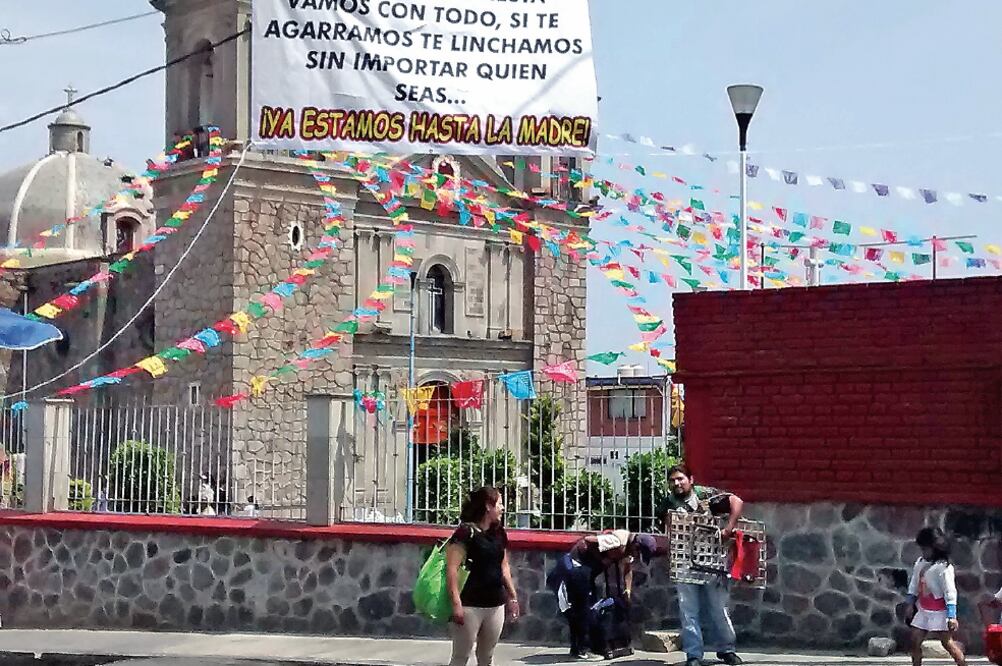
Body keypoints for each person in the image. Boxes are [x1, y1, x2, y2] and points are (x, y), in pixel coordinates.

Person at [658, 463, 745, 666]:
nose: (677, 483)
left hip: (712, 561)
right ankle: (694, 655)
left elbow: (736, 501)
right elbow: (668, 531)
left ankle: (727, 650)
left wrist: (728, 529)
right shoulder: (667, 504)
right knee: (688, 611)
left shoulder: (706, 496)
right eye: (672, 480)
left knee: (719, 609)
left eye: (680, 478)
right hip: (684, 562)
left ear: (691, 479)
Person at [547, 529, 655, 661]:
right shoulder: (616, 541)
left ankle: (578, 648)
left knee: (587, 608)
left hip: (584, 572)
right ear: (636, 545)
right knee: (582, 610)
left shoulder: (628, 548)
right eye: (638, 553)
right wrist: (601, 559)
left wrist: (627, 591)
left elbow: (627, 569)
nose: (637, 557)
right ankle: (582, 651)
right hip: (575, 569)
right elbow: (586, 541)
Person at [446, 487, 518, 666]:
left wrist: (513, 597)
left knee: (487, 656)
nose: (503, 508)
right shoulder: (465, 533)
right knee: (461, 656)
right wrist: (456, 604)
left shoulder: (499, 532)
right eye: (500, 504)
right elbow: (452, 569)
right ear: (488, 506)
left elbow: (504, 566)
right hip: (470, 605)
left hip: (495, 604)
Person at [905, 527, 966, 666]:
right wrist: (910, 603)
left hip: (940, 612)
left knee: (947, 644)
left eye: (925, 549)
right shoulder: (920, 563)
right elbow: (914, 584)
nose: (923, 552)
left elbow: (950, 592)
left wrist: (952, 616)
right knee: (914, 641)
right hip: (923, 610)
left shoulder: (944, 568)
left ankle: (963, 664)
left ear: (935, 548)